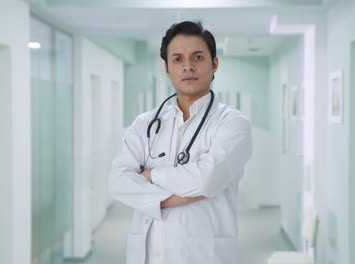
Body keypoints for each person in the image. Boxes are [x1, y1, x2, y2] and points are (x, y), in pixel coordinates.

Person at [108, 21, 252, 264]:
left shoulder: (233, 123)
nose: (188, 66)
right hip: (148, 255)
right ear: (166, 68)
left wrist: (150, 175)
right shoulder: (145, 123)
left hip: (204, 255)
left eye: (197, 57)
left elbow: (207, 179)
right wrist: (176, 195)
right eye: (177, 59)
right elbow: (117, 181)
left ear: (214, 63)